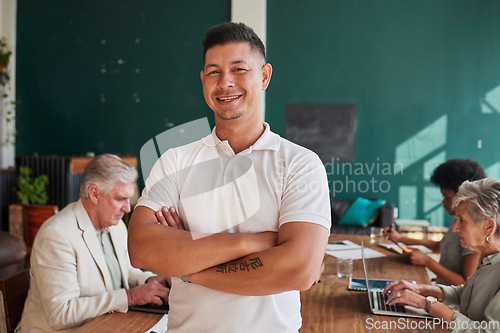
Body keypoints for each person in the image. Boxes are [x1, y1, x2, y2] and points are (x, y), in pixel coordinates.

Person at [127, 22, 331, 332]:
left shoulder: (300, 164)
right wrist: (255, 242)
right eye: (213, 72)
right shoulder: (175, 160)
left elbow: (300, 270)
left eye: (238, 69)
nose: (225, 83)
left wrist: (188, 270)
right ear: (203, 80)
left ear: (264, 76)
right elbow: (141, 248)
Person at [16, 154, 170, 332]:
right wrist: (130, 297)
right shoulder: (56, 235)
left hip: (103, 326)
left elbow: (124, 273)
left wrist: (152, 281)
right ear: (95, 194)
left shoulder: (116, 225)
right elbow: (61, 314)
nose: (128, 208)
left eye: (129, 199)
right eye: (120, 199)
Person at [383, 178, 500, 332]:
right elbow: (464, 294)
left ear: (488, 227)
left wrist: (426, 304)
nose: (455, 228)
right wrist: (419, 289)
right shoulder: (487, 259)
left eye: (461, 220)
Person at [384, 158, 485, 285]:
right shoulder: (456, 221)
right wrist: (399, 238)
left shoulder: (472, 231)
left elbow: (465, 283)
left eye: (446, 197)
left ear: (464, 197)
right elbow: (439, 246)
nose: (443, 203)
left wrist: (427, 261)